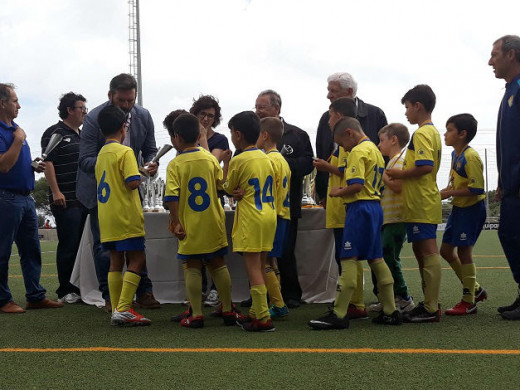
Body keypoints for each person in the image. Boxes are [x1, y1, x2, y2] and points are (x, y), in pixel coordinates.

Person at [76, 73, 159, 312]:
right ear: (110, 95)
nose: (126, 106)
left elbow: (150, 149)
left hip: (129, 195)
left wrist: (152, 163)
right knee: (107, 247)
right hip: (100, 195)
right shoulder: (93, 119)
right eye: (121, 100)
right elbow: (85, 160)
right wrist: (117, 168)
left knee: (127, 248)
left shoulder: (143, 116)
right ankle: (110, 297)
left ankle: (143, 292)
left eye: (130, 101)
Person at [308, 117, 400, 330]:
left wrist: (338, 192)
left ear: (350, 133)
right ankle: (391, 310)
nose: (343, 148)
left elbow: (356, 185)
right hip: (375, 207)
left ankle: (339, 314)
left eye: (342, 143)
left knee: (348, 258)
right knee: (376, 258)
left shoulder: (358, 151)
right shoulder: (375, 150)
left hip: (359, 208)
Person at [164, 113, 238, 328]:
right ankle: (227, 309)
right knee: (218, 264)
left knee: (192, 265)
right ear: (199, 135)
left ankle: (196, 314)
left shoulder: (175, 164)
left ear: (176, 137)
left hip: (190, 224)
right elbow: (221, 186)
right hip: (213, 221)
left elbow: (171, 197)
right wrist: (226, 164)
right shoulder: (209, 159)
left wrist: (176, 221)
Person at [0, 83, 63, 313]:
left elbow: (15, 162)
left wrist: (32, 166)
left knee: (31, 250)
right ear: (2, 103)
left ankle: (35, 296)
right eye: (15, 101)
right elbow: (4, 166)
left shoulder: (16, 129)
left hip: (25, 199)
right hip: (5, 198)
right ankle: (3, 300)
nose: (19, 105)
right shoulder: (12, 133)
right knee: (2, 251)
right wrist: (18, 140)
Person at [386, 84, 442, 323]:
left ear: (418, 106)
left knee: (428, 251)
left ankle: (431, 307)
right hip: (419, 201)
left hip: (422, 201)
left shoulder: (422, 133)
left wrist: (400, 174)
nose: (406, 113)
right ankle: (428, 304)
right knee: (421, 251)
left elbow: (426, 166)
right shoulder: (430, 132)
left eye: (407, 107)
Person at [255, 90, 314, 309]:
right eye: (256, 107)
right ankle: (260, 294)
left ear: (276, 109)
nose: (258, 111)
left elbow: (308, 164)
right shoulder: (254, 134)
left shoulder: (297, 134)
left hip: (288, 204)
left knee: (286, 251)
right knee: (261, 253)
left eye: (262, 107)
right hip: (260, 207)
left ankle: (290, 294)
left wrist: (279, 164)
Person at [95, 105, 150, 326]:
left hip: (107, 217)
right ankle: (125, 308)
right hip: (126, 216)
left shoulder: (101, 154)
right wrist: (143, 171)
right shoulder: (125, 151)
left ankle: (117, 307)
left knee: (115, 262)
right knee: (137, 258)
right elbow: (132, 182)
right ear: (123, 127)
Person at [312, 97, 367, 319]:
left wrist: (328, 167)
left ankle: (352, 304)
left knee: (348, 257)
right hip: (339, 207)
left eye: (331, 114)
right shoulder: (344, 143)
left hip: (346, 207)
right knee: (345, 257)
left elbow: (352, 175)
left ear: (340, 117)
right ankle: (355, 303)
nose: (328, 120)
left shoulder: (352, 145)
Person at [224, 111, 277, 332]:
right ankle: (256, 311)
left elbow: (227, 186)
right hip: (269, 214)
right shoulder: (267, 157)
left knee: (253, 267)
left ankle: (263, 318)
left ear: (237, 135)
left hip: (251, 216)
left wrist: (227, 165)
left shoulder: (239, 159)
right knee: (263, 263)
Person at [41, 92, 89, 304]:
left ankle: (81, 288)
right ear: (70, 110)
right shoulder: (54, 132)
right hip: (65, 199)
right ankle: (65, 290)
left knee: (82, 245)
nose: (85, 113)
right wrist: (55, 191)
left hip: (84, 199)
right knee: (69, 244)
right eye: (81, 109)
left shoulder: (83, 134)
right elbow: (48, 162)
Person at [439, 114, 488, 315]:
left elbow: (477, 189)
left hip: (472, 210)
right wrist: (443, 192)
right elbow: (456, 183)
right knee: (445, 251)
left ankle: (469, 301)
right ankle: (475, 289)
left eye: (449, 130)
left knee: (463, 253)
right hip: (459, 208)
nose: (445, 133)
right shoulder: (454, 155)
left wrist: (449, 193)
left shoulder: (471, 157)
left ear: (462, 134)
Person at [315, 72, 387, 203]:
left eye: (333, 91)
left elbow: (384, 155)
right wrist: (322, 193)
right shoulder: (326, 118)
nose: (328, 95)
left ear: (349, 91)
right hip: (334, 196)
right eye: (328, 90)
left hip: (365, 197)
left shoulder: (375, 115)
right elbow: (322, 153)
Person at [489, 35, 520, 320]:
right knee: (510, 234)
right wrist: (502, 180)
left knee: (514, 235)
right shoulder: (510, 90)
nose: (491, 61)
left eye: (495, 54)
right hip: (511, 184)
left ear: (511, 55)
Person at [189, 95, 229, 307]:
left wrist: (203, 139)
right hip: (191, 203)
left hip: (213, 200)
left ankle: (215, 291)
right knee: (194, 250)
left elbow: (211, 165)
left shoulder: (220, 140)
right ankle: (196, 292)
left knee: (214, 250)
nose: (206, 119)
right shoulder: (185, 138)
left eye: (211, 116)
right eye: (202, 114)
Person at [376, 123, 415, 312]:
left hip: (397, 218)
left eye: (382, 140)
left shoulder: (399, 161)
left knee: (389, 256)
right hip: (390, 218)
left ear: (394, 140)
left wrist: (383, 176)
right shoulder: (393, 161)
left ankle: (403, 297)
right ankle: (391, 298)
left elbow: (399, 187)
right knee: (387, 256)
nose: (378, 145)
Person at [256, 117, 291, 319]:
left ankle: (278, 303)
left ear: (265, 135)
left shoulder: (268, 160)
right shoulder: (282, 160)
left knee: (265, 261)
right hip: (283, 215)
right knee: (272, 260)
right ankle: (276, 300)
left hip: (272, 215)